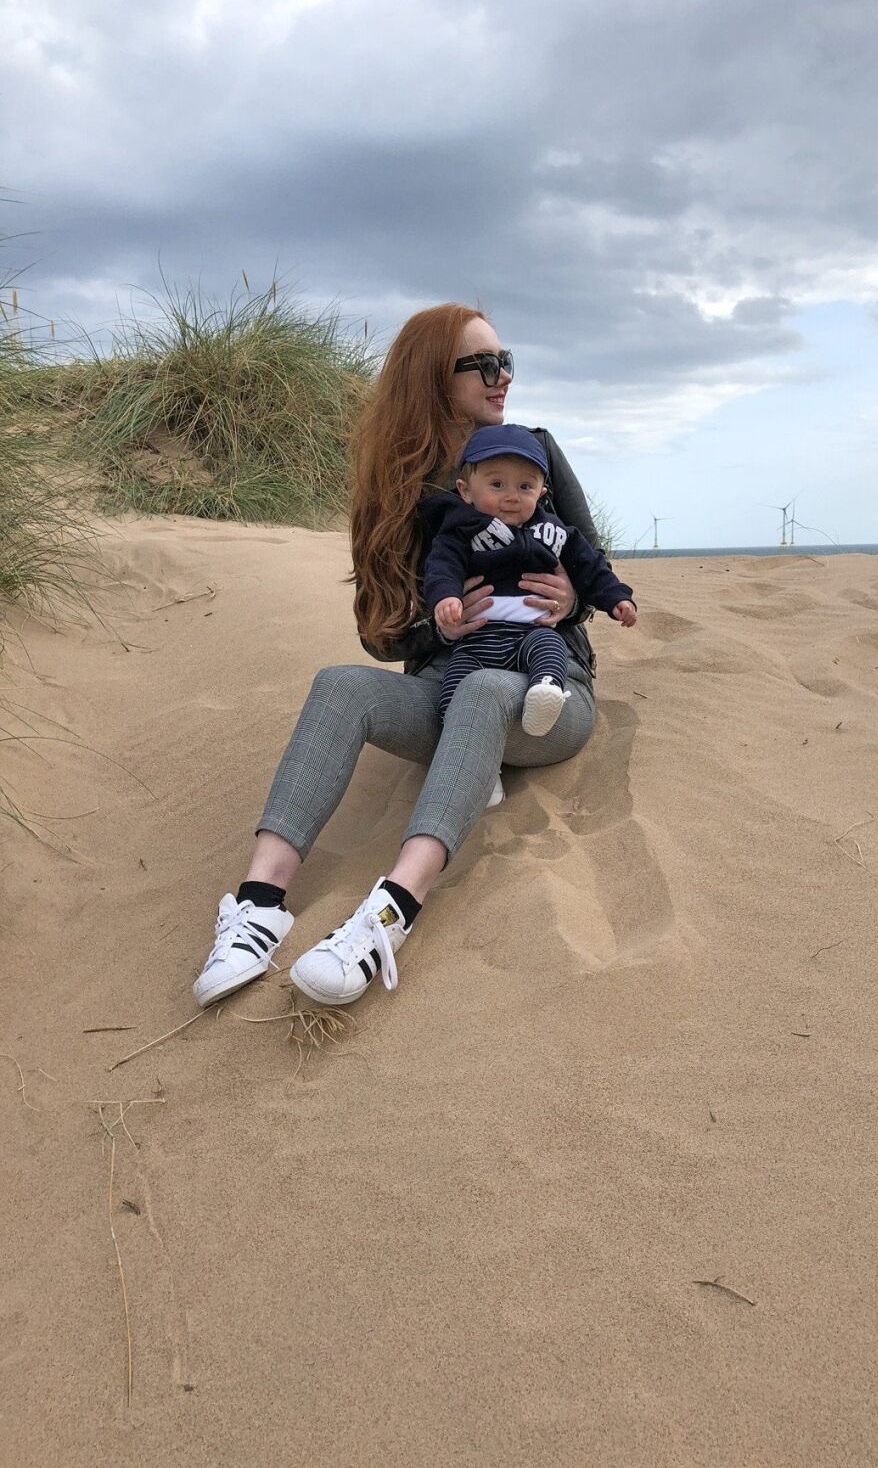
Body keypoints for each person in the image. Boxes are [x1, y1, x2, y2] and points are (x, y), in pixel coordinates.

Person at [192, 304, 609, 1012]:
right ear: (430, 376)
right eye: (482, 363)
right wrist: (442, 628)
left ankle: (387, 915)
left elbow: (594, 569)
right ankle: (258, 908)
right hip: (442, 700)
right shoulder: (395, 486)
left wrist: (572, 597)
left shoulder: (534, 449)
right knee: (340, 685)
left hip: (548, 693)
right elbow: (378, 638)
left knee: (483, 689)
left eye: (506, 361)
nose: (501, 375)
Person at [423, 423, 636, 738]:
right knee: (453, 694)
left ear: (542, 493)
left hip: (530, 633)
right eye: (497, 484)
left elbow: (589, 565)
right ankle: (475, 760)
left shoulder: (554, 532)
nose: (511, 497)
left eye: (525, 487)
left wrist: (617, 598)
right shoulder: (460, 530)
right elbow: (442, 566)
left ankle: (545, 693)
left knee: (551, 647)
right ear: (465, 491)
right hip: (477, 640)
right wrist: (446, 598)